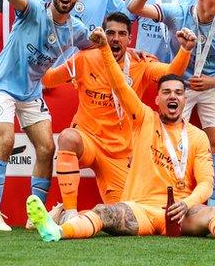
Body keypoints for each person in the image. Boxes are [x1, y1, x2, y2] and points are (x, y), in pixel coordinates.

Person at [26, 28, 215, 243]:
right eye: (167, 92)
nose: (173, 96)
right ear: (157, 98)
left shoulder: (197, 137)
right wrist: (105, 48)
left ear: (185, 99)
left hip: (183, 211)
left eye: (178, 93)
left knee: (213, 212)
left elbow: (205, 183)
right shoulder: (144, 119)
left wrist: (187, 203)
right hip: (141, 209)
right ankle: (57, 231)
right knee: (104, 212)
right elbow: (120, 86)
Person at [41, 12, 192, 221]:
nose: (115, 38)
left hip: (121, 152)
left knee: (123, 216)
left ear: (129, 39)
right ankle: (70, 212)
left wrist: (185, 50)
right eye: (110, 32)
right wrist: (42, 48)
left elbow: (171, 73)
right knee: (67, 137)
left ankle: (62, 214)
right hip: (88, 139)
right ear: (103, 34)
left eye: (122, 34)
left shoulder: (140, 63)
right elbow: (48, 80)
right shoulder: (84, 59)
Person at [0, 0, 91, 231]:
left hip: (31, 92)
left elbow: (94, 46)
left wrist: (103, 40)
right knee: (5, 141)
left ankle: (36, 216)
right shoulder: (33, 9)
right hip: (2, 86)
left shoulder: (76, 30)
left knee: (46, 147)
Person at [127, 0, 215, 209]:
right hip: (179, 86)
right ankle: (168, 195)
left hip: (212, 86)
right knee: (170, 140)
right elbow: (135, 9)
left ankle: (211, 203)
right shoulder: (178, 12)